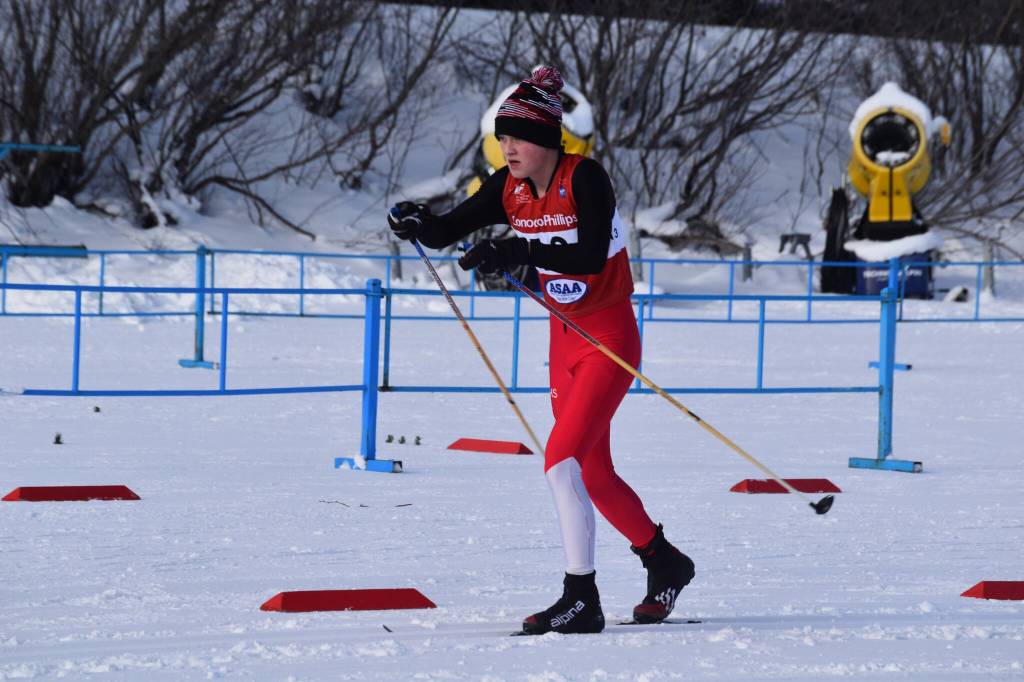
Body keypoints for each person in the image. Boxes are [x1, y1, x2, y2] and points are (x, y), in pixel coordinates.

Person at [388, 66, 694, 635]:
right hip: (564, 342)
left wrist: (514, 256)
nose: (509, 148)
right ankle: (664, 560)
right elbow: (442, 232)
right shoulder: (506, 185)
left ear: (550, 140)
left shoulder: (585, 179)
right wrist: (415, 220)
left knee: (560, 462)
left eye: (519, 138)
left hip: (608, 338)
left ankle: (582, 598)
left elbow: (587, 256)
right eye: (503, 138)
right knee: (593, 472)